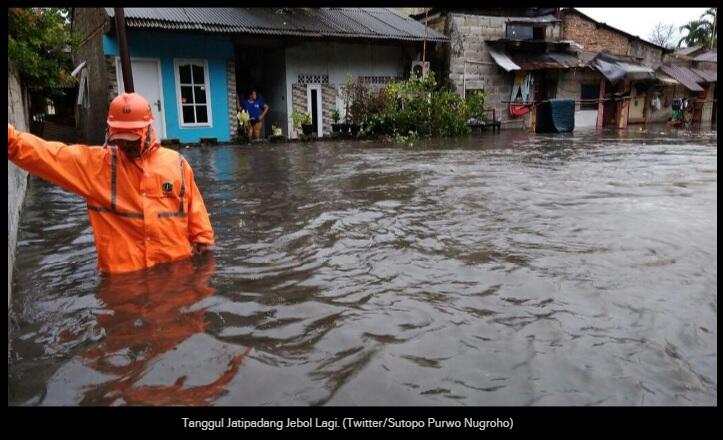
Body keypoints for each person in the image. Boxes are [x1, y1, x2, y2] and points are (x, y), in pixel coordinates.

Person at [8, 92, 214, 273]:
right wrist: (11, 140)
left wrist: (202, 237)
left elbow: (193, 203)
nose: (125, 144)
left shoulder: (176, 163)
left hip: (175, 273)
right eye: (120, 138)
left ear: (147, 129)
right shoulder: (97, 167)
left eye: (132, 138)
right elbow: (46, 154)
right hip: (124, 281)